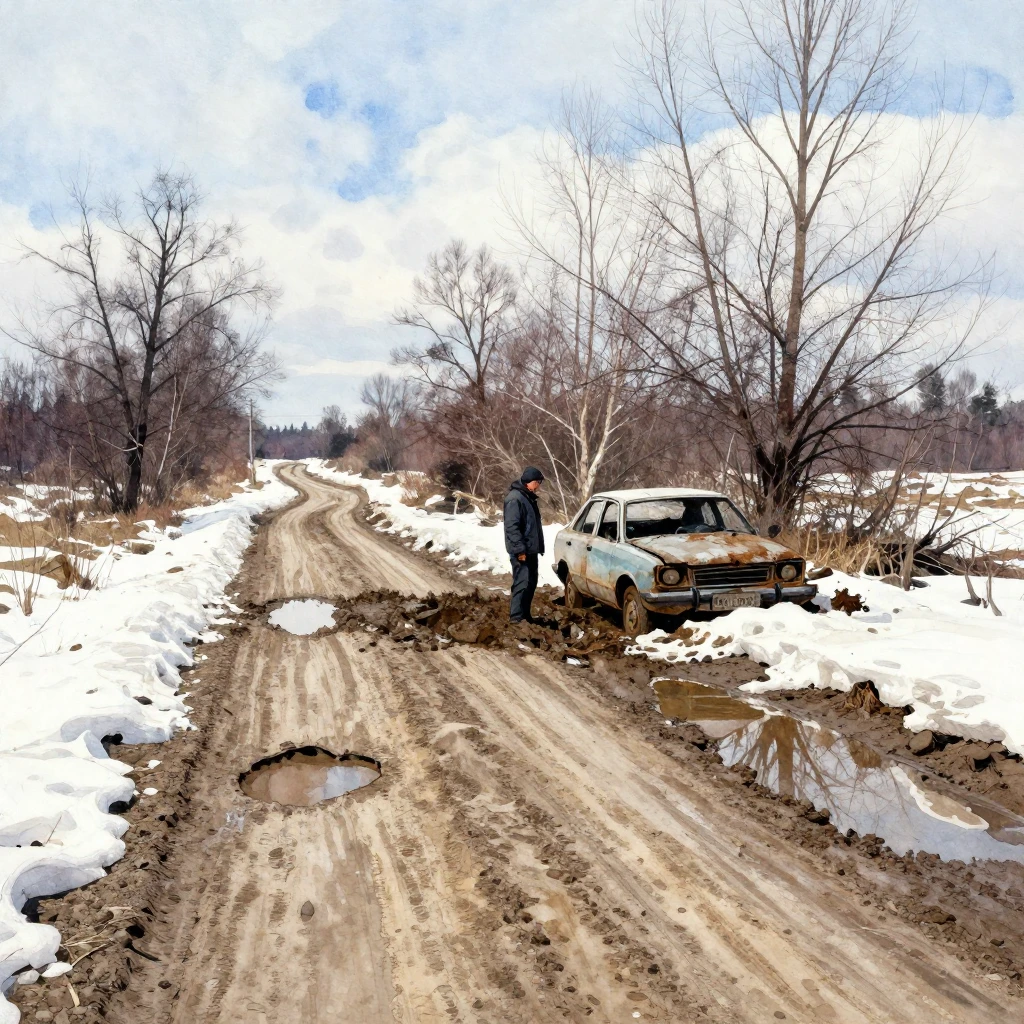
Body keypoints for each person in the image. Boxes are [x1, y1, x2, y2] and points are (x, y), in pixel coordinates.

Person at [503, 466, 545, 623]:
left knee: (531, 582)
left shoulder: (527, 497)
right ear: (532, 482)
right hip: (522, 550)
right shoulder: (515, 499)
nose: (539, 486)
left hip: (530, 549)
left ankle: (525, 616)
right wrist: (520, 549)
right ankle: (516, 617)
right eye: (538, 482)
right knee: (522, 582)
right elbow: (512, 527)